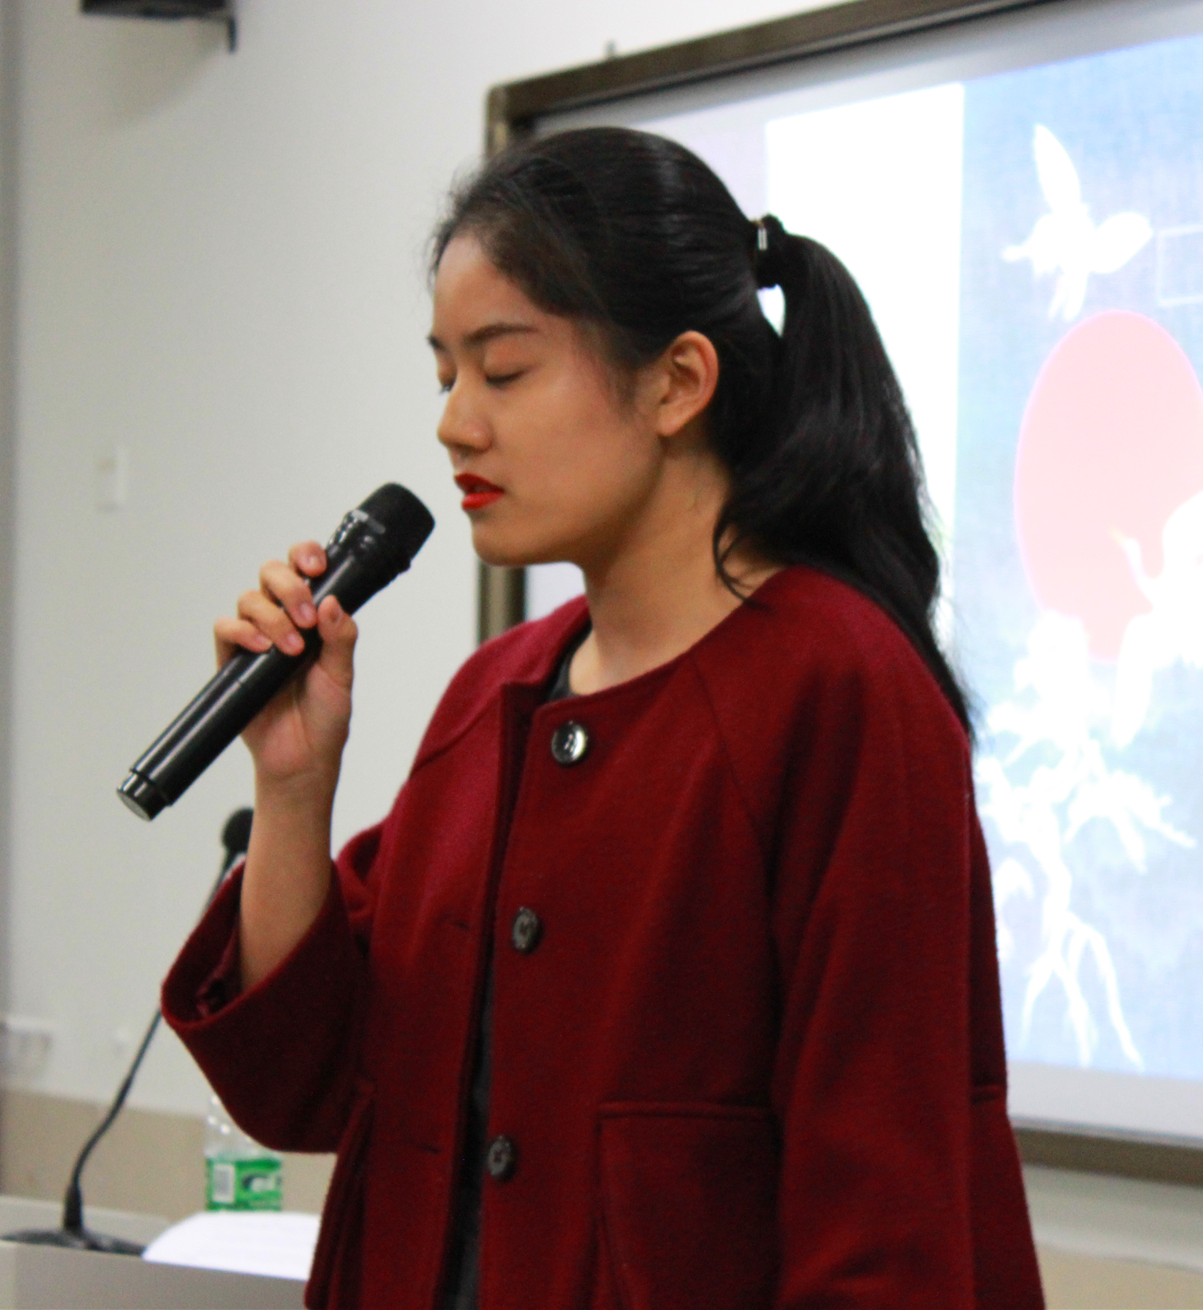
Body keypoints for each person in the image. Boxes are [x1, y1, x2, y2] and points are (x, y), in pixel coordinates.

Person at [162, 127, 1045, 1310]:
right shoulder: (494, 697)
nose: (454, 424)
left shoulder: (838, 692)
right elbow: (301, 1088)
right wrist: (290, 787)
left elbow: (881, 1213)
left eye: (503, 371)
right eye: (444, 375)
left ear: (677, 381)